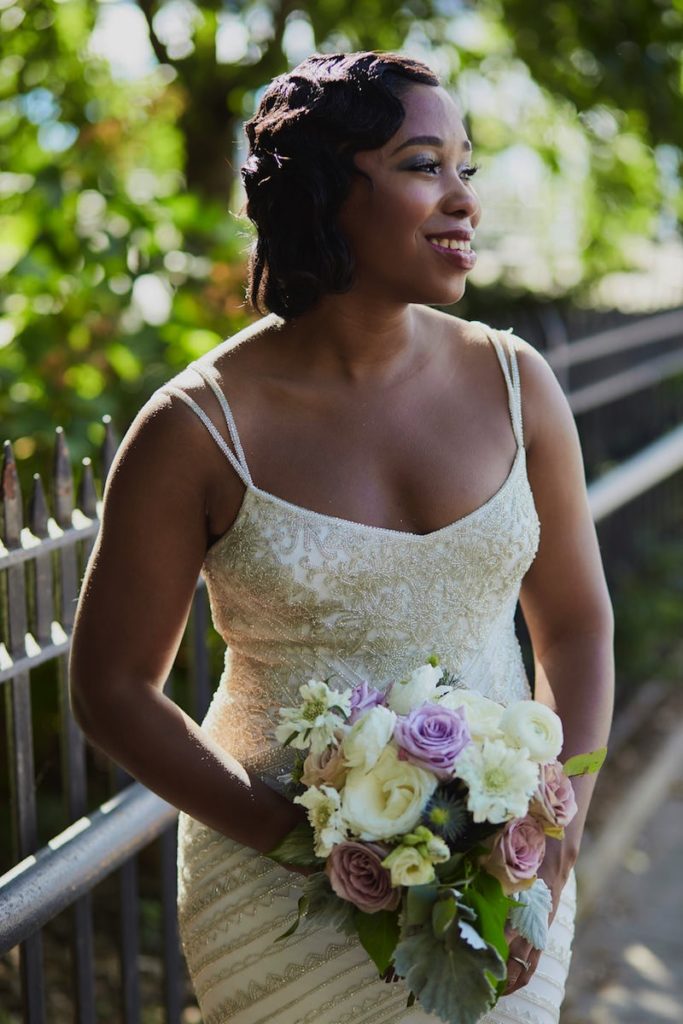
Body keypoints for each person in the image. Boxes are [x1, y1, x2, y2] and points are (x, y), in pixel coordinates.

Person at [69, 50, 614, 1024]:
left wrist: (556, 833)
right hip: (275, 904)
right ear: (325, 189)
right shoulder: (195, 431)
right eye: (421, 166)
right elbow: (110, 689)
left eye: (464, 168)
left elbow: (573, 626)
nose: (461, 201)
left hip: (503, 883)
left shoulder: (515, 384)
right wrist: (296, 839)